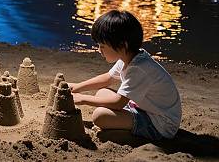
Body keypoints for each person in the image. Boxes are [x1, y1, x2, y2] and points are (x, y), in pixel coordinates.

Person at [70, 10, 181, 140]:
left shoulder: (139, 68)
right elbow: (108, 78)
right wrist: (77, 87)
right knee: (102, 92)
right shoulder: (128, 57)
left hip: (160, 124)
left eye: (102, 46)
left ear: (123, 45)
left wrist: (83, 99)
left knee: (100, 116)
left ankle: (127, 131)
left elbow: (118, 103)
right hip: (142, 107)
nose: (99, 50)